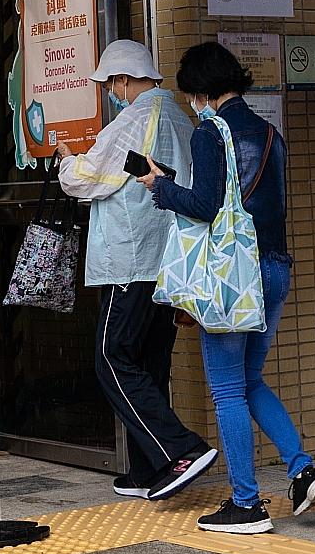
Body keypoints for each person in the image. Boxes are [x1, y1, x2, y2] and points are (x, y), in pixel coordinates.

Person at [141, 42, 315, 534]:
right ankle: (301, 469)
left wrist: (161, 188)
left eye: (191, 94)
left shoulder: (210, 133)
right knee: (249, 380)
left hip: (233, 277)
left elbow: (205, 205)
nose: (191, 103)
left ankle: (246, 503)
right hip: (274, 270)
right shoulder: (270, 132)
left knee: (226, 389)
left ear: (201, 90)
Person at [56, 39, 218, 502]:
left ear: (124, 80)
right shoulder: (178, 119)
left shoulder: (136, 118)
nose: (111, 92)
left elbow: (87, 180)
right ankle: (150, 469)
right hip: (168, 261)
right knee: (150, 361)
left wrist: (68, 159)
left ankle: (180, 450)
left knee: (112, 358)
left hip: (130, 258)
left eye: (111, 84)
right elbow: (136, 172)